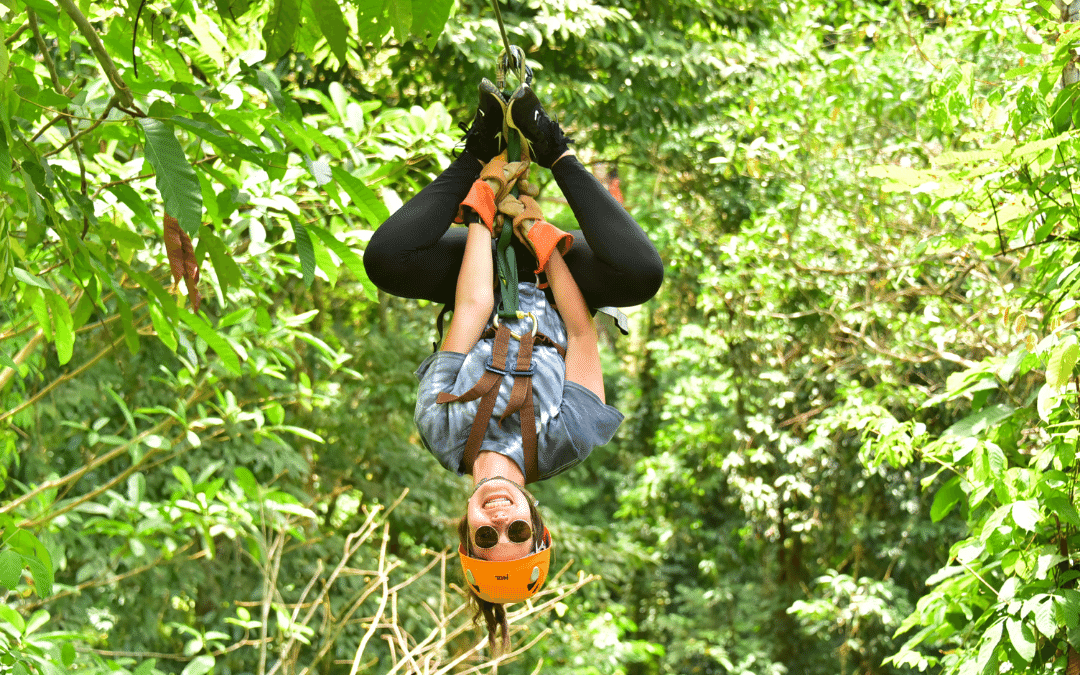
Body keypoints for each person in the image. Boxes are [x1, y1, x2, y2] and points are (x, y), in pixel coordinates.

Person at [362, 79, 663, 652]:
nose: (500, 518)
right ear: (537, 522)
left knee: (386, 259)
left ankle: (477, 149)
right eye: (517, 533)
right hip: (556, 281)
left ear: (466, 528)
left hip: (482, 275)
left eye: (487, 534)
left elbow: (472, 309)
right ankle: (554, 146)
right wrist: (541, 243)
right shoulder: (565, 441)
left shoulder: (442, 430)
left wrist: (485, 207)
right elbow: (580, 331)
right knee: (641, 273)